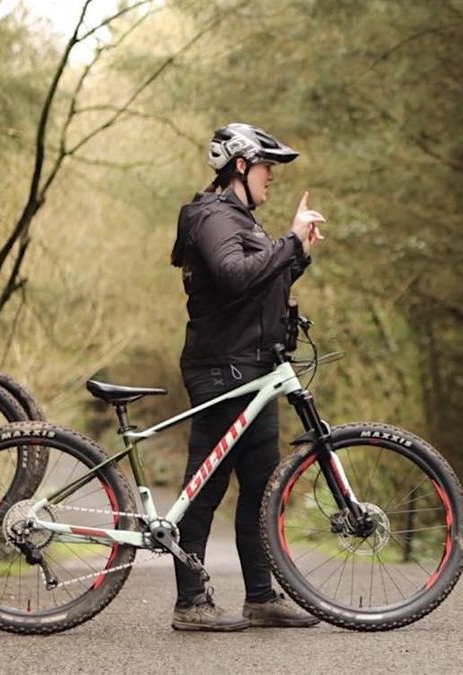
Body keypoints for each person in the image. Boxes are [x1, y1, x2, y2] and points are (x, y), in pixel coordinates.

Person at [167, 122, 325, 631]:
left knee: (260, 485)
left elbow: (257, 286)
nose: (271, 179)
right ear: (240, 165)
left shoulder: (241, 220)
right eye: (266, 169)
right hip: (222, 368)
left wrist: (297, 252)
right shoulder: (212, 217)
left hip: (256, 368)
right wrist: (288, 241)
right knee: (206, 487)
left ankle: (260, 597)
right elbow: (235, 276)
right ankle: (191, 603)